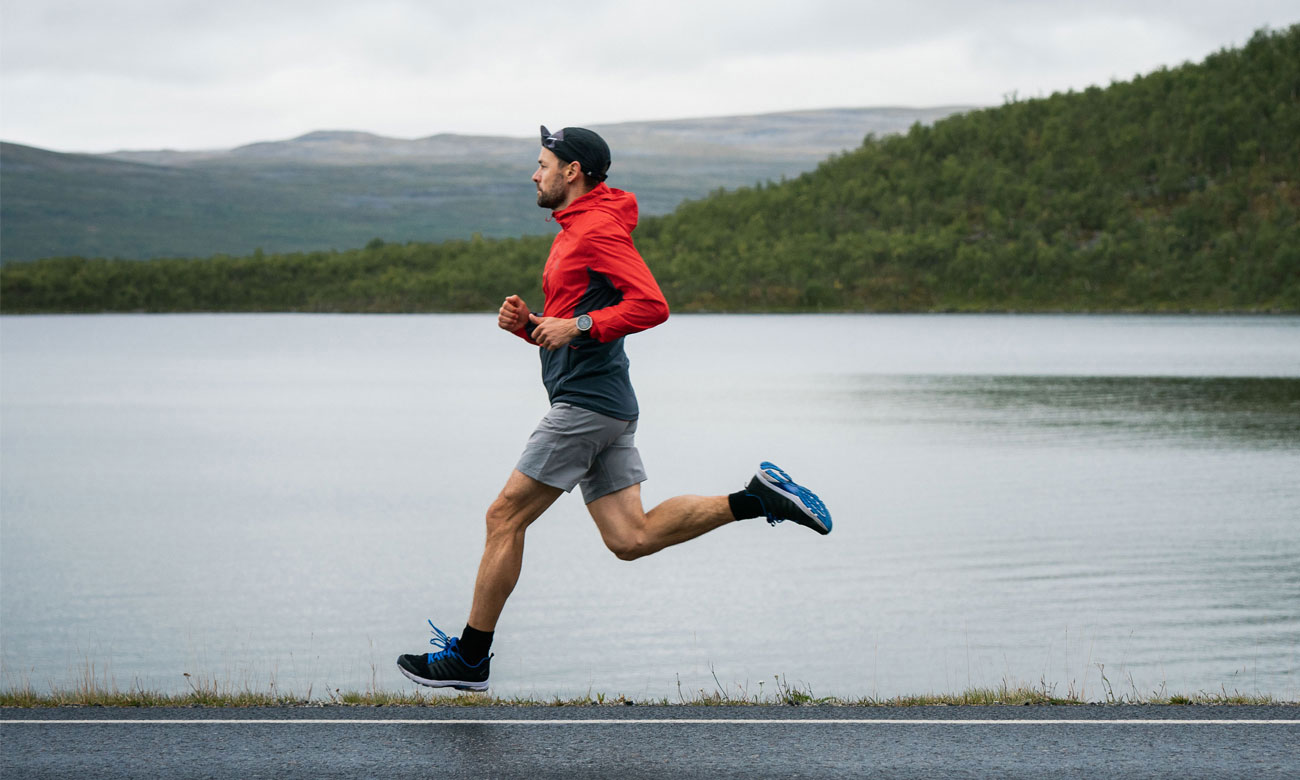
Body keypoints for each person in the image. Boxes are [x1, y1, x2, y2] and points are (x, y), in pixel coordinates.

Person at [397, 125, 832, 692]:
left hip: (585, 406)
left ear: (572, 170)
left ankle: (470, 659)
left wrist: (573, 323)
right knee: (632, 538)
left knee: (503, 517)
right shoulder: (580, 227)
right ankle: (756, 499)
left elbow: (651, 305)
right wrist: (530, 328)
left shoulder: (596, 229)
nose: (535, 174)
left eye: (542, 164)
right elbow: (576, 325)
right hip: (607, 405)